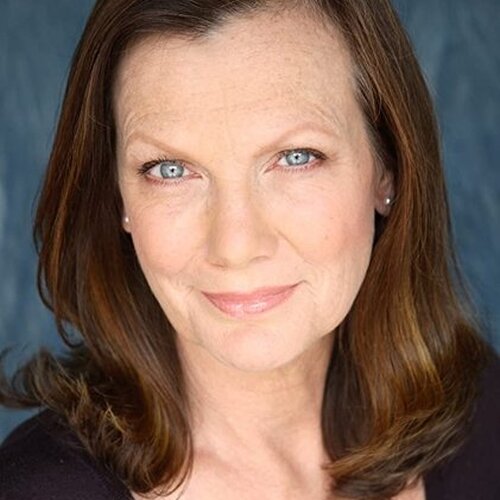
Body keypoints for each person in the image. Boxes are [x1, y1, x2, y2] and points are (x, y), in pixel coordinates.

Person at [0, 0, 499, 498]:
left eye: (295, 157)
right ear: (118, 198)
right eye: (171, 170)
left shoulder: (487, 429)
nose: (235, 246)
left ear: (386, 168)